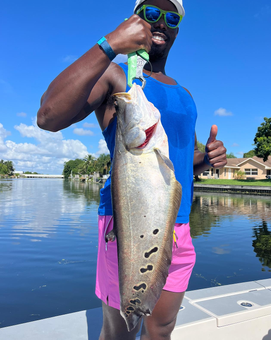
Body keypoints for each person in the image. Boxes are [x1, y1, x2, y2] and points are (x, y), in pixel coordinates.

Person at [37, 0, 227, 339]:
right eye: (151, 13)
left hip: (178, 227)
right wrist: (109, 45)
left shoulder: (185, 94)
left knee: (163, 328)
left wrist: (206, 158)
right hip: (127, 224)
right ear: (134, 19)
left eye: (170, 17)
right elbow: (49, 116)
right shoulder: (117, 75)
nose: (160, 22)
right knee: (121, 329)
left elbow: (180, 163)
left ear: (177, 31)